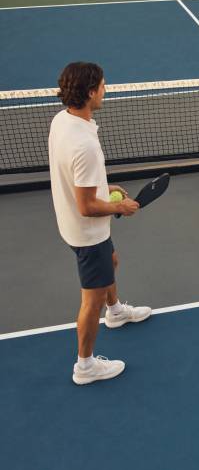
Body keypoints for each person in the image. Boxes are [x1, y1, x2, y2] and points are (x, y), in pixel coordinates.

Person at [49, 62, 151, 385]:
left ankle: (117, 312)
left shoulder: (61, 121)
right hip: (87, 234)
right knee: (90, 302)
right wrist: (118, 205)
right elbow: (87, 205)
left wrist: (108, 193)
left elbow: (79, 185)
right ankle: (85, 366)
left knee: (112, 260)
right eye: (104, 86)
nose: (106, 90)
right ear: (91, 92)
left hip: (71, 225)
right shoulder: (86, 146)